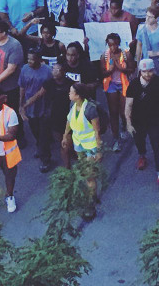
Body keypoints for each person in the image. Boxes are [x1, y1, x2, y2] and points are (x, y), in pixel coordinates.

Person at [125, 59, 159, 193]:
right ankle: (142, 155)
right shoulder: (134, 85)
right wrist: (129, 124)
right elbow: (128, 106)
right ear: (140, 71)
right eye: (145, 71)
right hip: (138, 120)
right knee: (139, 141)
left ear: (154, 70)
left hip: (154, 120)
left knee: (157, 147)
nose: (148, 74)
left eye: (150, 71)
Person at [62, 82, 102, 219]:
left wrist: (98, 150)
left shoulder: (90, 109)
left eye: (71, 92)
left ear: (78, 95)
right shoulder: (72, 105)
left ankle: (90, 204)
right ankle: (93, 194)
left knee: (88, 174)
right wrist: (65, 135)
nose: (69, 94)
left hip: (90, 145)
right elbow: (69, 121)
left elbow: (97, 131)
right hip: (78, 144)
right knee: (85, 171)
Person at [0, 20, 25, 144]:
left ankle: (19, 137)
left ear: (4, 33)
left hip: (10, 86)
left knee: (13, 112)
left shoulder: (14, 45)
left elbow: (11, 69)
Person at [19, 50, 53, 172]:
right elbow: (22, 87)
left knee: (43, 133)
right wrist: (21, 104)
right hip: (30, 108)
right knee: (35, 130)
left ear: (39, 59)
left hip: (44, 106)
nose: (29, 61)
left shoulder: (48, 71)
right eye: (28, 59)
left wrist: (25, 104)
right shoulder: (24, 69)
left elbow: (42, 92)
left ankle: (46, 160)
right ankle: (40, 146)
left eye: (32, 59)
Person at [100, 32, 133, 151]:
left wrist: (120, 68)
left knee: (123, 111)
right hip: (111, 85)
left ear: (118, 43)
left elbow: (131, 69)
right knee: (113, 112)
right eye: (110, 45)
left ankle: (124, 127)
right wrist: (111, 70)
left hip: (123, 84)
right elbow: (102, 73)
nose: (112, 47)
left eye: (114, 45)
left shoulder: (125, 54)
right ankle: (116, 139)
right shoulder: (104, 56)